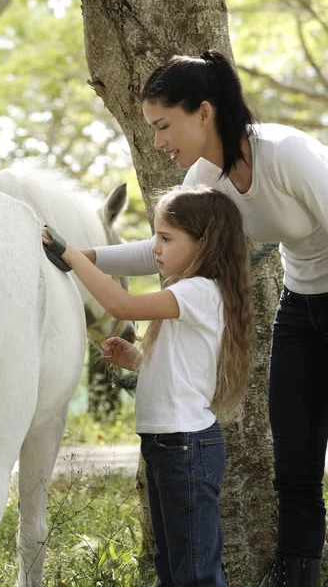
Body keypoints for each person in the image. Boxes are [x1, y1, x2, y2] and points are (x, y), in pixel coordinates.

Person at [77, 51, 328, 586]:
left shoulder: (288, 154)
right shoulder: (204, 179)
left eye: (164, 125)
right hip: (301, 301)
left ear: (205, 112)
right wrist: (84, 256)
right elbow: (159, 250)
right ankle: (297, 574)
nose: (158, 140)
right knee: (296, 459)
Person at [43, 186, 253, 586]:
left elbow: (121, 305)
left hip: (186, 446)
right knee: (170, 566)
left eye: (166, 238)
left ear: (204, 243)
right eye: (155, 235)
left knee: (194, 573)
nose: (154, 247)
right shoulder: (193, 293)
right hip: (167, 444)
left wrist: (71, 254)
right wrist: (139, 362)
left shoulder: (199, 291)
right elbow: (183, 374)